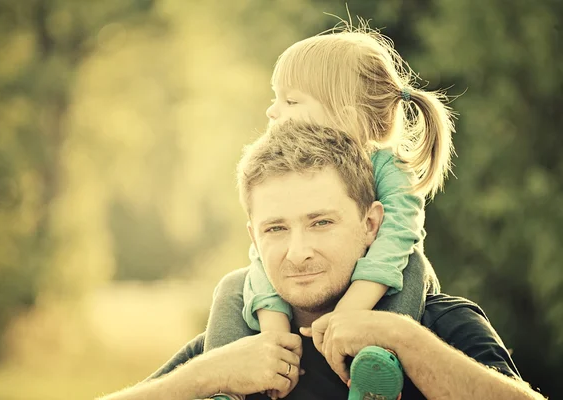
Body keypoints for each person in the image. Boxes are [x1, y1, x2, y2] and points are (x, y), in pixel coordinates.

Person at [98, 121, 545, 400]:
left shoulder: (440, 326)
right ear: (254, 236)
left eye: (320, 223)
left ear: (371, 225)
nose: (298, 251)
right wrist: (201, 379)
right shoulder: (229, 347)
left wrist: (403, 340)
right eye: (276, 229)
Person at [206, 25, 453, 400]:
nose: (273, 111)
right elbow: (264, 252)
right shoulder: (282, 172)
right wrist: (274, 330)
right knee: (234, 285)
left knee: (412, 266)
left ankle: (375, 366)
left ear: (345, 115)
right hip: (290, 318)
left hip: (381, 284)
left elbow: (398, 239)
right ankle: (220, 386)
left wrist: (351, 312)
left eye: (290, 101)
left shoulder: (386, 169)